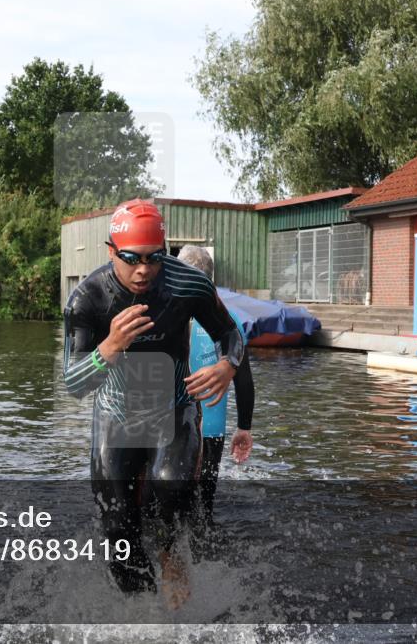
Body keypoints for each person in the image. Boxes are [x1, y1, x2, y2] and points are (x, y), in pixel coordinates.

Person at [62, 199, 254, 608]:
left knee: (171, 487)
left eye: (154, 258)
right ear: (111, 251)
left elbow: (231, 336)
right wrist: (110, 346)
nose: (144, 269)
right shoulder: (88, 299)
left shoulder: (189, 285)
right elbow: (75, 383)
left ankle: (171, 557)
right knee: (118, 533)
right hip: (116, 415)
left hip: (174, 407)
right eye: (131, 259)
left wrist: (228, 365)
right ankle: (141, 611)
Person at [176, 245, 253, 527]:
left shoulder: (168, 317)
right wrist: (244, 427)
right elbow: (243, 381)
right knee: (203, 509)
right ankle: (205, 559)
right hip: (212, 431)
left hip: (173, 428)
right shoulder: (229, 323)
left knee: (168, 507)